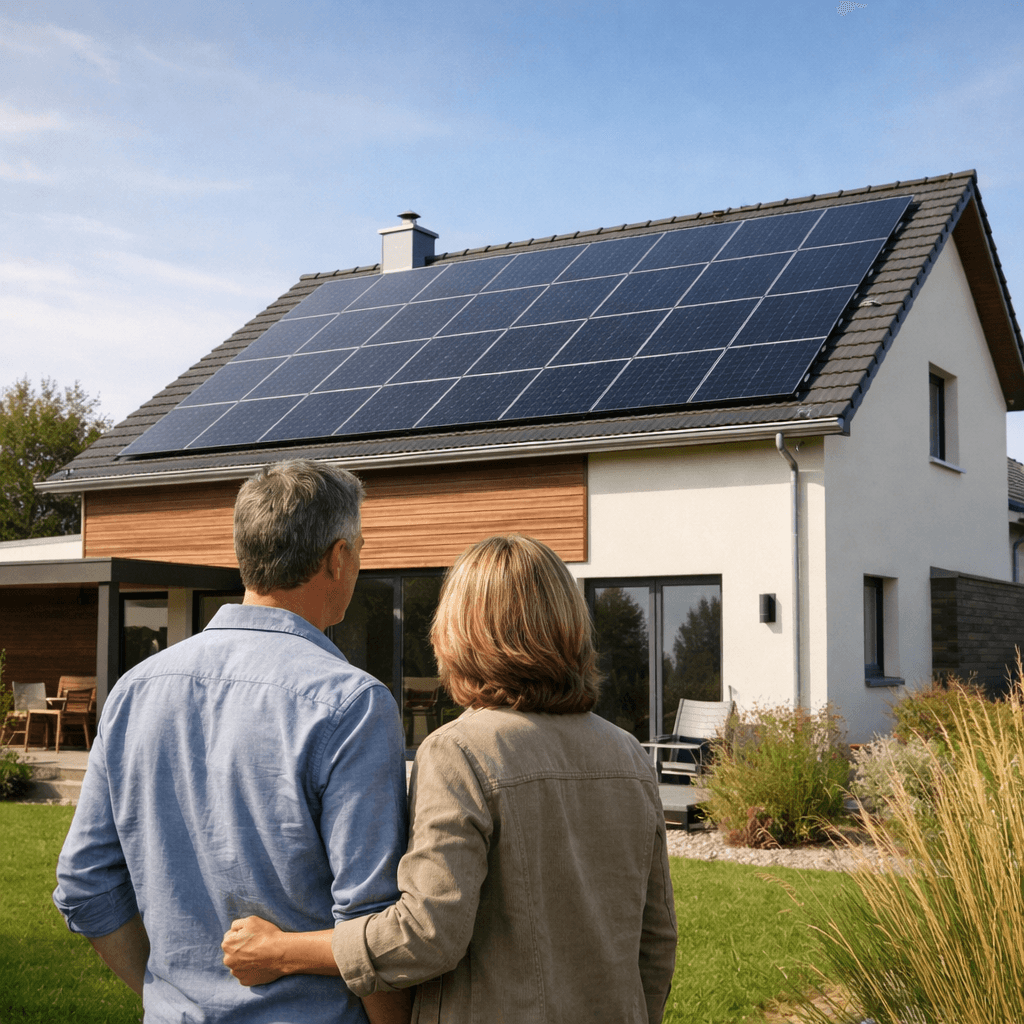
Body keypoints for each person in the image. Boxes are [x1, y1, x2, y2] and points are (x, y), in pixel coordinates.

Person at [222, 534, 678, 1023]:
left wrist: (278, 950)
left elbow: (424, 936)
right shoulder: (627, 754)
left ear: (459, 632)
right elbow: (656, 942)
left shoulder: (460, 750)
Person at [54, 460, 412, 1024]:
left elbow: (84, 884)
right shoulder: (353, 704)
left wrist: (165, 996)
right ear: (337, 558)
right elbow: (370, 922)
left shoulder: (133, 691)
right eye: (360, 550)